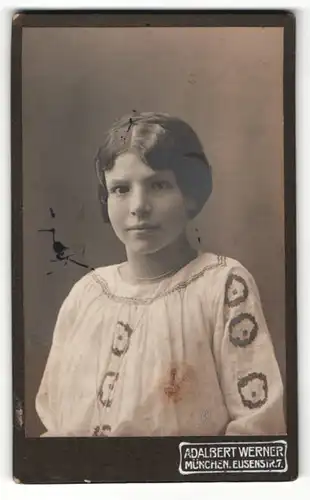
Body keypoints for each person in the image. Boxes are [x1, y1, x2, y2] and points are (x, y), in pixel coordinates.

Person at [36, 112, 286, 437]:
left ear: (191, 194)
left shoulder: (222, 284)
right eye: (121, 189)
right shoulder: (86, 294)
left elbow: (257, 428)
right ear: (105, 200)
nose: (139, 206)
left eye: (159, 185)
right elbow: (56, 430)